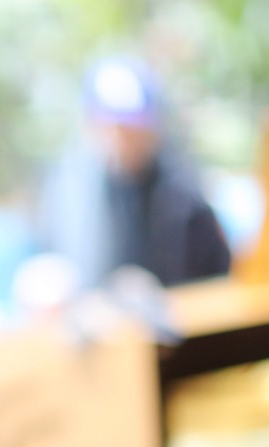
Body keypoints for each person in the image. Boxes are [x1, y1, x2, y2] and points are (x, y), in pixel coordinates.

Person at [35, 57, 231, 291]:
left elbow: (215, 274)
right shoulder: (69, 195)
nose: (120, 141)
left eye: (132, 129)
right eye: (110, 127)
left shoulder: (183, 196)